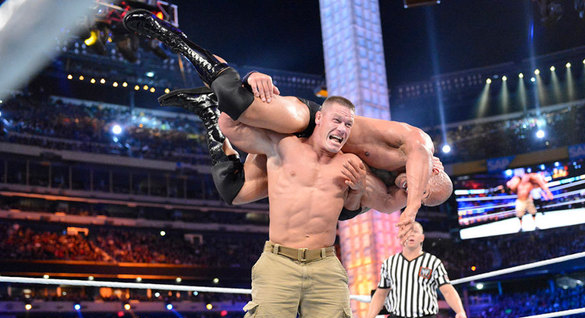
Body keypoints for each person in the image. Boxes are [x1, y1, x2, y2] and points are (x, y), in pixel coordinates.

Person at [122, 10, 449, 240]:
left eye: (415, 196)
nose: (409, 191)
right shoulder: (415, 142)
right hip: (313, 127)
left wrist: (374, 194)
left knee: (234, 191)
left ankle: (207, 110)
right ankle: (172, 37)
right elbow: (418, 156)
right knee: (237, 103)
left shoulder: (396, 197)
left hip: (303, 162)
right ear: (433, 169)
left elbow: (356, 205)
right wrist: (412, 209)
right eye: (417, 188)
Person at [193, 94, 360, 318]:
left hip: (325, 264)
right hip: (279, 261)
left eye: (348, 124)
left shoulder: (351, 162)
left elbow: (353, 206)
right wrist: (253, 82)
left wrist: (358, 188)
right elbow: (230, 124)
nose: (342, 128)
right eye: (337, 120)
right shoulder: (283, 144)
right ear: (318, 118)